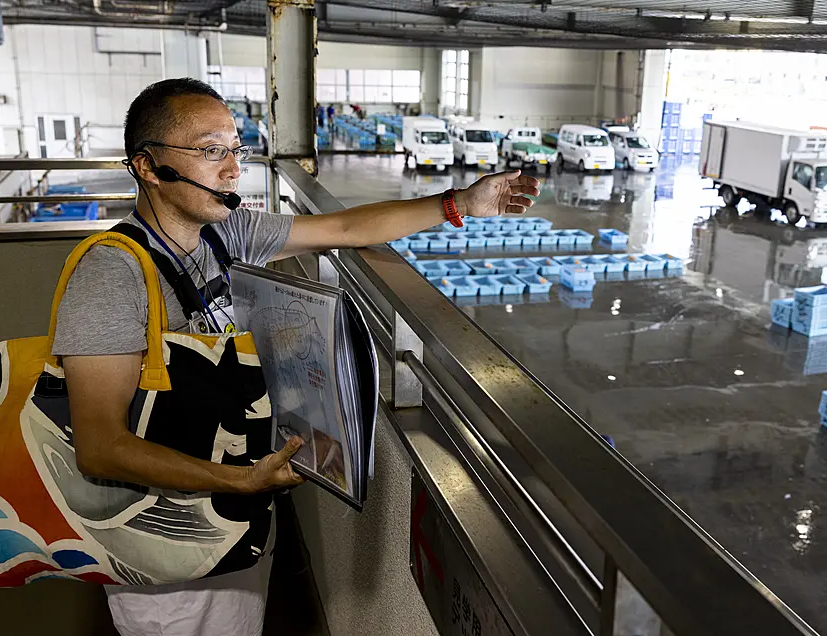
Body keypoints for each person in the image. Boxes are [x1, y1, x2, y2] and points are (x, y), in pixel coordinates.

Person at [52, 78, 540, 636]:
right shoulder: (111, 276)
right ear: (148, 166)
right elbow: (99, 446)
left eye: (236, 150)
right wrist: (236, 482)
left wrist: (460, 203)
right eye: (211, 152)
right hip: (166, 546)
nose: (233, 170)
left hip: (232, 516)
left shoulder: (223, 234)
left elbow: (345, 227)